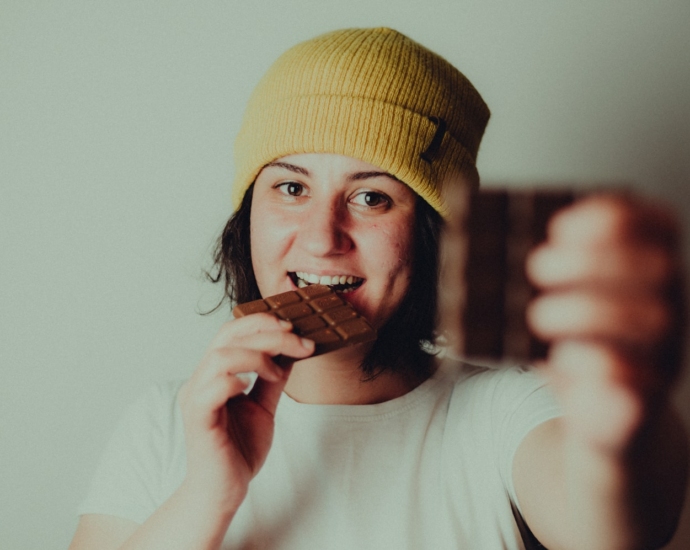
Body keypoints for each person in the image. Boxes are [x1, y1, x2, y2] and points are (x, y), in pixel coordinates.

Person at [69, 28, 688, 550]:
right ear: (247, 214)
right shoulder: (164, 425)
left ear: (429, 234)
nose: (321, 238)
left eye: (371, 197)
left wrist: (622, 433)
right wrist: (209, 492)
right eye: (291, 187)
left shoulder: (504, 411)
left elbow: (617, 526)